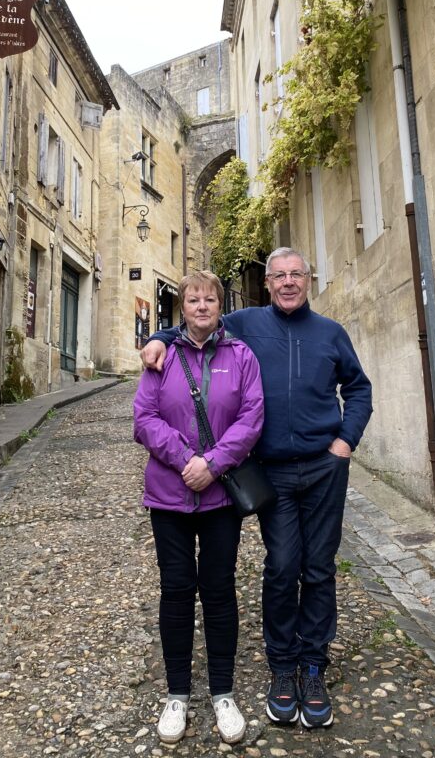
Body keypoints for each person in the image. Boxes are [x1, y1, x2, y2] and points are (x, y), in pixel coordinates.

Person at [141, 247, 372, 730]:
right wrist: (160, 339)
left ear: (309, 279)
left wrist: (345, 441)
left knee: (320, 567)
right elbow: (197, 324)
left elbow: (359, 388)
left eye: (297, 275)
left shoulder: (331, 333)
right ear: (266, 283)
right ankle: (282, 667)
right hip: (272, 473)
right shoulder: (245, 324)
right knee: (283, 567)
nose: (288, 283)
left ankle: (313, 668)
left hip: (324, 468)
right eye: (279, 276)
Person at [134, 270, 264, 745]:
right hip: (168, 495)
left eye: (210, 299)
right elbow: (143, 418)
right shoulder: (161, 356)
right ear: (182, 307)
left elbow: (252, 419)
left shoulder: (242, 355)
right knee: (175, 589)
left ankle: (223, 692)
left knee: (219, 589)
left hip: (220, 497)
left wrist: (211, 463)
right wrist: (185, 458)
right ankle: (177, 695)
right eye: (194, 300)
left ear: (220, 304)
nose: (203, 306)